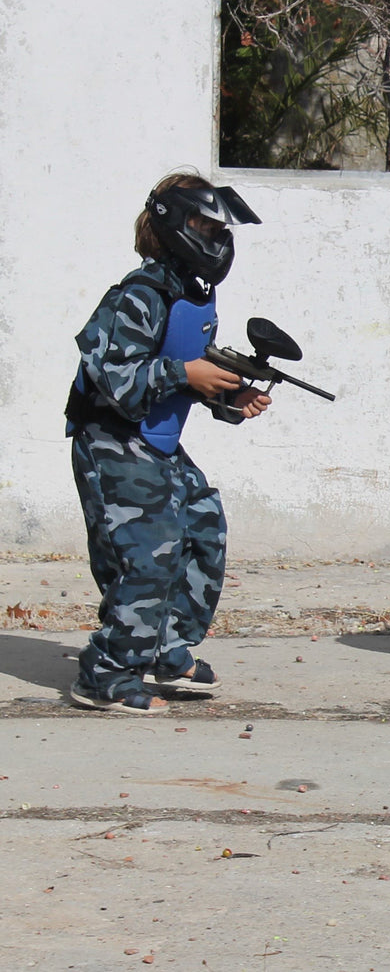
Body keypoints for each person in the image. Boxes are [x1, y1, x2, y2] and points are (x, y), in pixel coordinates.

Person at [64, 172, 267, 715]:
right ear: (175, 224)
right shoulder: (140, 293)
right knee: (148, 557)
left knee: (204, 531)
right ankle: (106, 672)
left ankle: (164, 648)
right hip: (112, 439)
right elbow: (111, 376)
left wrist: (228, 395)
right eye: (206, 225)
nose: (218, 239)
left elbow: (181, 371)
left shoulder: (188, 292)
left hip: (155, 441)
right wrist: (185, 375)